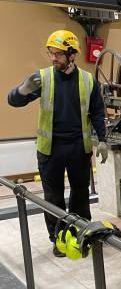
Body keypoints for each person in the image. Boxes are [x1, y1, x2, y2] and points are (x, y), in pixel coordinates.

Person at [7, 30, 108, 257]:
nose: (53, 58)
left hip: (78, 149)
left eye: (59, 54)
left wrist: (103, 140)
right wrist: (22, 90)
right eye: (51, 53)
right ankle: (59, 238)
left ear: (72, 55)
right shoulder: (43, 78)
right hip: (50, 150)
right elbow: (13, 101)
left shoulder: (87, 80)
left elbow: (97, 112)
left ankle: (81, 233)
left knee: (80, 196)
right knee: (53, 198)